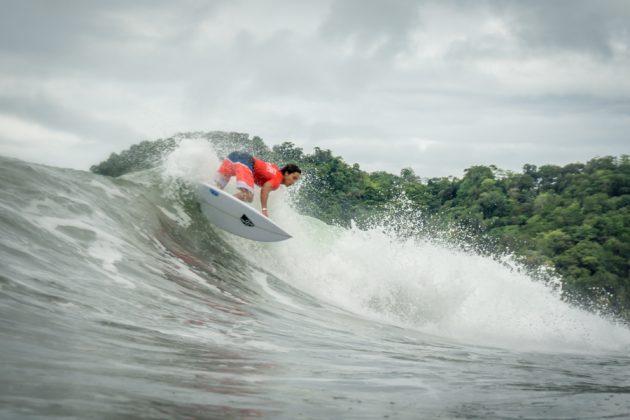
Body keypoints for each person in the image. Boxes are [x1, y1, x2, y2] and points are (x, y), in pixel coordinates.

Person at [214, 151, 301, 217]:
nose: (293, 182)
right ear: (286, 173)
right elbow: (265, 189)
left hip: (233, 156)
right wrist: (264, 210)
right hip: (245, 161)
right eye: (294, 178)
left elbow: (263, 169)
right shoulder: (277, 180)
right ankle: (223, 205)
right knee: (248, 196)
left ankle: (214, 199)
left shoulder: (275, 169)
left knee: (218, 187)